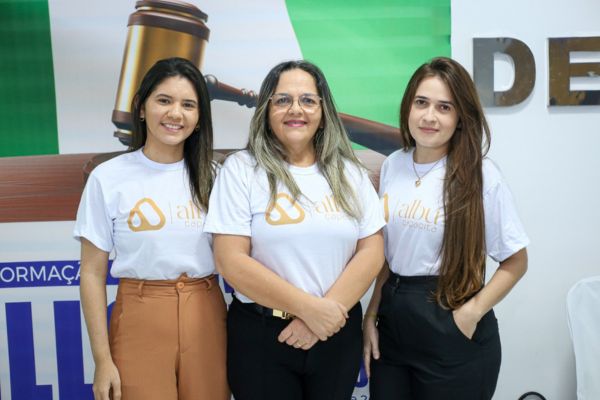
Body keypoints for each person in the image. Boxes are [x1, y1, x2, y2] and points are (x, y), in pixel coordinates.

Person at [204, 60, 385, 400]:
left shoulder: (350, 173)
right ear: (266, 110)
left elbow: (372, 250)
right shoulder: (241, 170)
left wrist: (324, 315)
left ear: (323, 112)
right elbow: (230, 260)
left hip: (336, 331)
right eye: (283, 100)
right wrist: (309, 310)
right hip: (262, 336)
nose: (296, 109)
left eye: (308, 100)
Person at [363, 57, 529, 400]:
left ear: (460, 117)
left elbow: (516, 261)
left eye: (444, 107)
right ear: (408, 106)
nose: (429, 116)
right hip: (393, 324)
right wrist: (371, 315)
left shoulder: (480, 174)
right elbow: (389, 257)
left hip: (451, 323)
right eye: (421, 102)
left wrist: (470, 315)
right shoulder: (393, 165)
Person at [74, 57, 229, 400]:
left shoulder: (217, 177)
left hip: (206, 312)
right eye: (164, 100)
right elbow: (92, 273)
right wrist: (102, 360)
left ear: (199, 117)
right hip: (139, 315)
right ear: (142, 108)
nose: (175, 113)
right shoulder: (108, 178)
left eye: (188, 105)